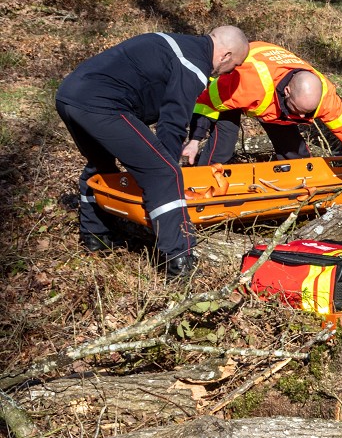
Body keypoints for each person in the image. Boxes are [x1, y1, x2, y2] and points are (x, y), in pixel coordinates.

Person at [55, 26, 250, 279]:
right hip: (101, 105)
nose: (231, 70)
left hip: (69, 96)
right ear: (225, 55)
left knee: (101, 165)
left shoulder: (175, 42)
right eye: (234, 64)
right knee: (164, 173)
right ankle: (180, 261)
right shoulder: (194, 64)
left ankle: (96, 238)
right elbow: (172, 122)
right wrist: (168, 171)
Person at [182, 42, 342, 191]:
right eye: (298, 109)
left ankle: (296, 187)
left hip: (275, 101)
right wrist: (194, 140)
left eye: (308, 112)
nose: (303, 116)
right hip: (238, 89)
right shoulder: (246, 83)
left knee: (296, 153)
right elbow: (206, 102)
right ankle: (202, 183)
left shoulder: (323, 95)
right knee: (224, 143)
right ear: (287, 92)